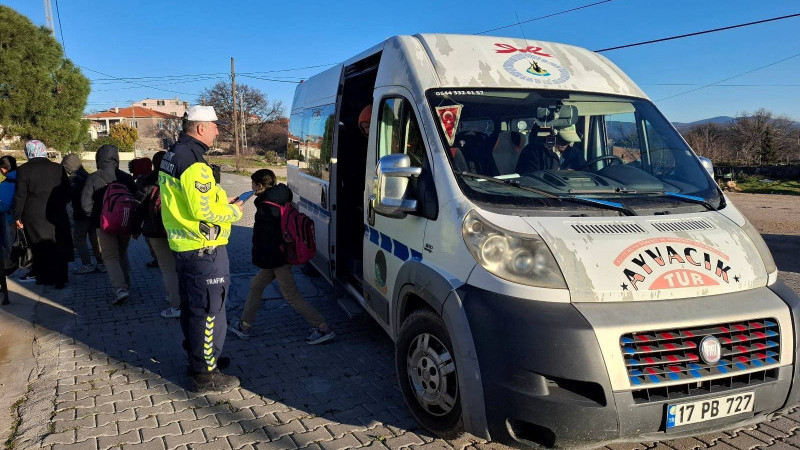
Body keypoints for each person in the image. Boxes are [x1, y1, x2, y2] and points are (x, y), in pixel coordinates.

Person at [159, 105, 243, 393]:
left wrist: (221, 200)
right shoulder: (193, 161)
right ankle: (205, 373)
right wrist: (234, 213)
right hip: (203, 249)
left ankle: (203, 358)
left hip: (186, 247)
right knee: (210, 311)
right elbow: (202, 209)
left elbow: (189, 200)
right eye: (215, 125)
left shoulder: (173, 154)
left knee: (194, 309)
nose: (218, 130)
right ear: (200, 128)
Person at [228, 169, 335, 345]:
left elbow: (266, 240)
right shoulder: (281, 196)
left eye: (253, 184)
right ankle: (244, 325)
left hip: (278, 259)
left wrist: (262, 259)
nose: (252, 187)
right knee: (256, 286)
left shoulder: (266, 207)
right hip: (280, 256)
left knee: (291, 296)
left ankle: (323, 327)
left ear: (260, 186)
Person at [14, 140, 73, 289]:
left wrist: (17, 216)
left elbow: (20, 196)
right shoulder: (58, 168)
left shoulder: (23, 170)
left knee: (39, 246)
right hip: (57, 212)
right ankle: (61, 278)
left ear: (28, 152)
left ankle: (45, 277)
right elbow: (67, 191)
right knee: (58, 243)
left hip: (33, 214)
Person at [81, 144, 136, 304]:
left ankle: (120, 289)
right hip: (125, 223)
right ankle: (126, 283)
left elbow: (85, 204)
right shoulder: (125, 177)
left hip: (103, 225)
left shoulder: (93, 177)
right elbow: (136, 201)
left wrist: (96, 218)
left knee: (110, 257)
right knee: (122, 253)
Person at [133, 151, 180, 319]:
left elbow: (138, 206)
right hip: (177, 229)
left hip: (155, 230)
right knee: (179, 266)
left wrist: (135, 229)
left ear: (154, 164)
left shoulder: (146, 180)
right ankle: (181, 297)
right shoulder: (178, 178)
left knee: (167, 268)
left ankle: (175, 304)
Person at [62, 154, 104, 274]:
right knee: (95, 239)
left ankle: (87, 264)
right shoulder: (88, 176)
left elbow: (70, 197)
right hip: (93, 213)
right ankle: (102, 263)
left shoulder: (73, 179)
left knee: (79, 239)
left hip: (81, 214)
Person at [515, 125, 584, 174]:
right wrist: (560, 174)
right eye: (562, 140)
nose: (565, 143)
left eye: (569, 140)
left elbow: (586, 170)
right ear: (552, 135)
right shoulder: (533, 151)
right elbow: (528, 178)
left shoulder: (575, 153)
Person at [0, 156, 17, 304]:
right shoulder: (24, 177)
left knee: (9, 245)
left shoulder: (6, 184)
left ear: (3, 169)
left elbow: (3, 205)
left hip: (10, 220)